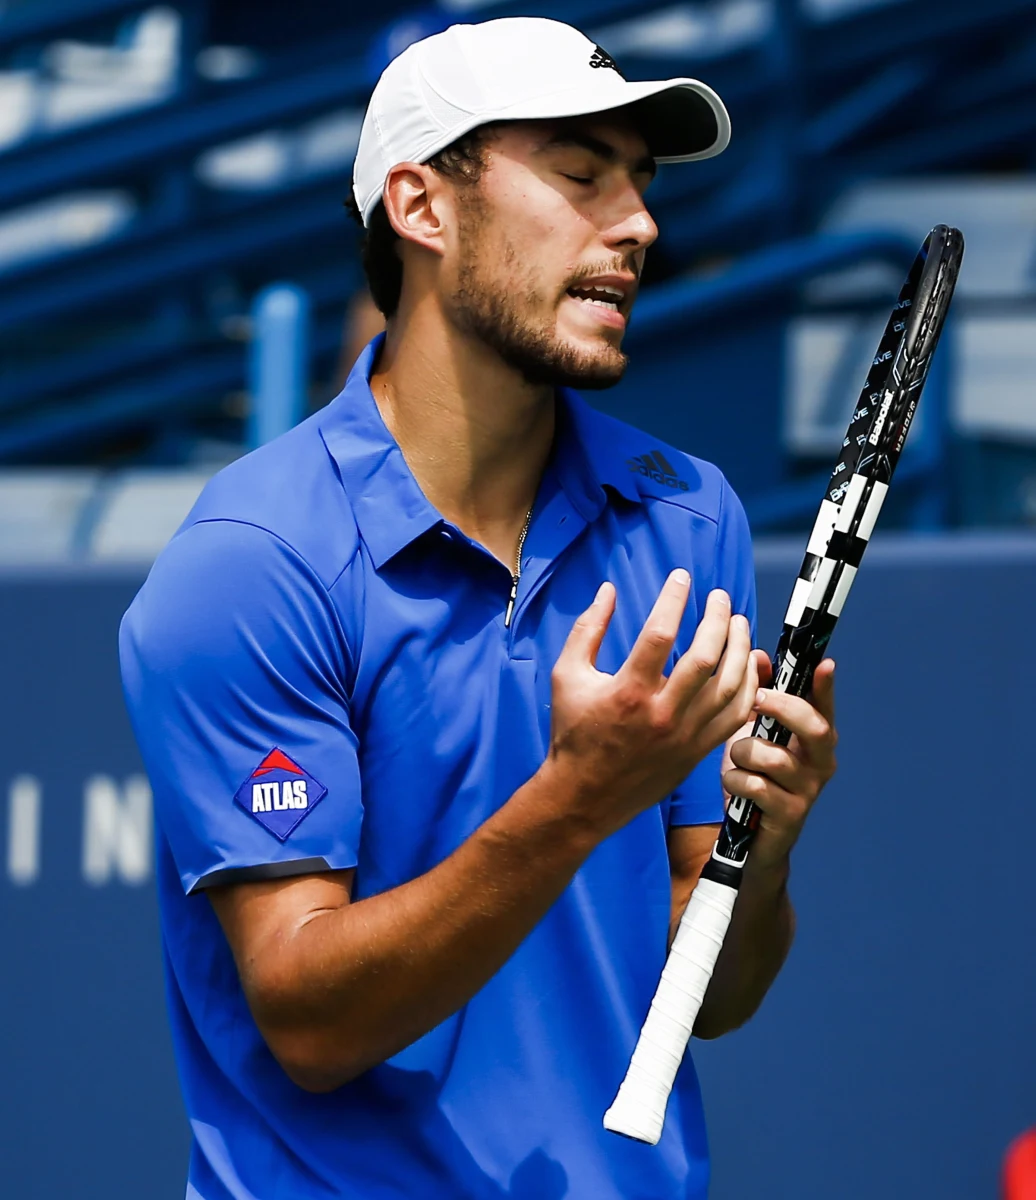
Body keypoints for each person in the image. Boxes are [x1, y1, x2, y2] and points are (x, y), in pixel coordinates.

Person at [120, 17, 838, 1200]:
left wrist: (767, 848)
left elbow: (704, 998)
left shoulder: (689, 517)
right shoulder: (248, 563)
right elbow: (309, 1021)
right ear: (421, 207)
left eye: (641, 183)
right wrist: (575, 799)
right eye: (579, 174)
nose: (638, 224)